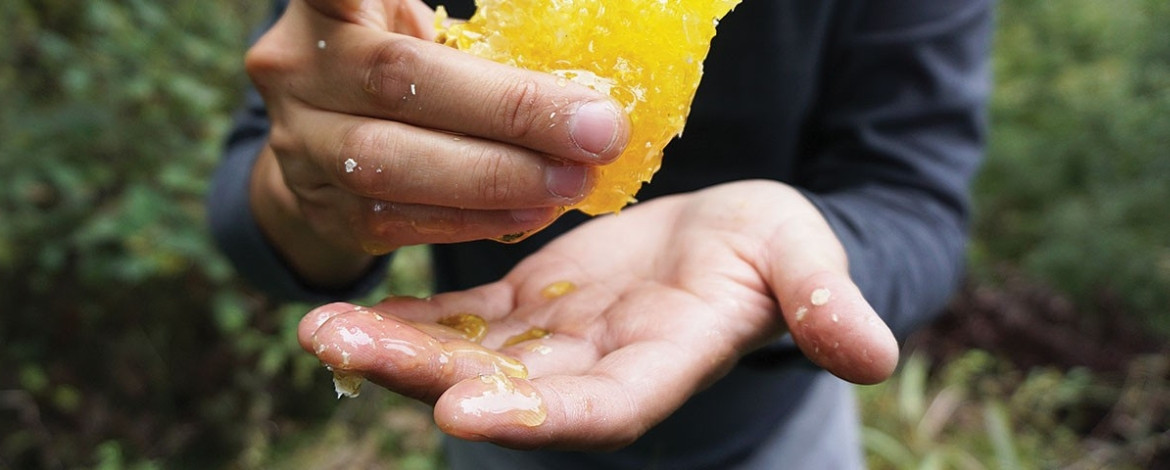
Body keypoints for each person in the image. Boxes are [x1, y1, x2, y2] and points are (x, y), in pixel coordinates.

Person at [209, 0, 991, 468]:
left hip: (779, 434)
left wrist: (792, 251)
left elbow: (914, 200)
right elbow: (255, 200)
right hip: (494, 392)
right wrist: (323, 191)